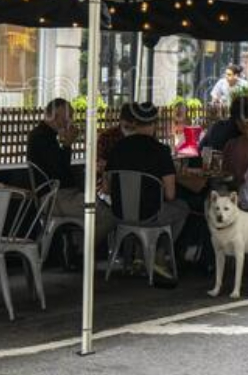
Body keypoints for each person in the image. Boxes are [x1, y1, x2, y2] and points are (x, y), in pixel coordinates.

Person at [105, 102, 190, 275]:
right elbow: (170, 194)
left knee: (143, 214)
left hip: (120, 213)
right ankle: (158, 253)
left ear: (134, 123)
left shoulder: (118, 147)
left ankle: (139, 255)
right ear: (155, 123)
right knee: (182, 207)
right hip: (151, 215)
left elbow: (106, 188)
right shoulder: (161, 151)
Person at [28, 99, 115, 242]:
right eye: (68, 118)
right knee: (109, 215)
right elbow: (58, 171)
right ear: (56, 116)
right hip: (55, 198)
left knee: (96, 212)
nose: (70, 122)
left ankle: (77, 251)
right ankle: (83, 255)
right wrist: (68, 144)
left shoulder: (44, 135)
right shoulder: (41, 137)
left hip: (59, 196)